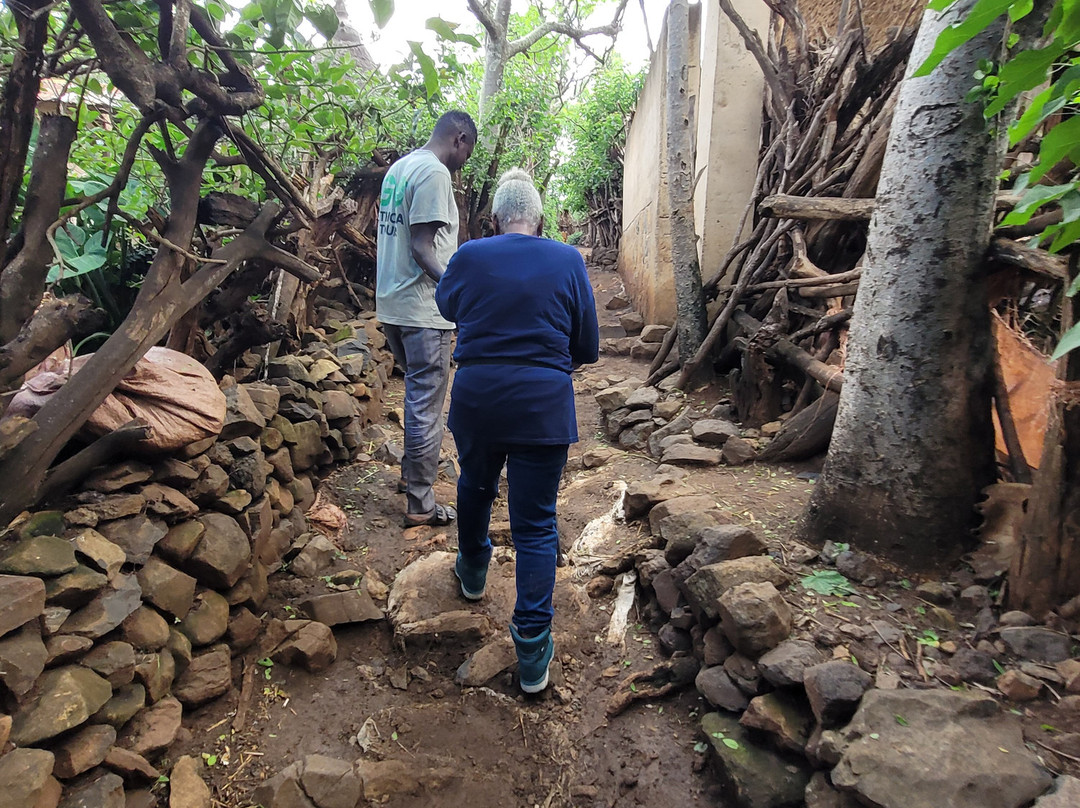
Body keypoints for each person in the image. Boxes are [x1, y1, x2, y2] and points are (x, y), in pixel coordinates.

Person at [435, 168, 600, 694]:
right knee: (535, 525)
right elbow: (588, 346)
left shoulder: (469, 255)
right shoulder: (568, 259)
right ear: (541, 219)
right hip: (542, 408)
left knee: (475, 486)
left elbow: (446, 306)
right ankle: (532, 654)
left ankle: (473, 570)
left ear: (494, 219)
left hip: (478, 399)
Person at [376, 110, 476, 528]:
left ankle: (410, 480)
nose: (466, 160)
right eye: (468, 149)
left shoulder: (400, 168)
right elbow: (421, 247)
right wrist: (454, 287)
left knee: (415, 400)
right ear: (459, 138)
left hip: (392, 306)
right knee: (425, 409)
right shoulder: (434, 174)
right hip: (423, 311)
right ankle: (421, 504)